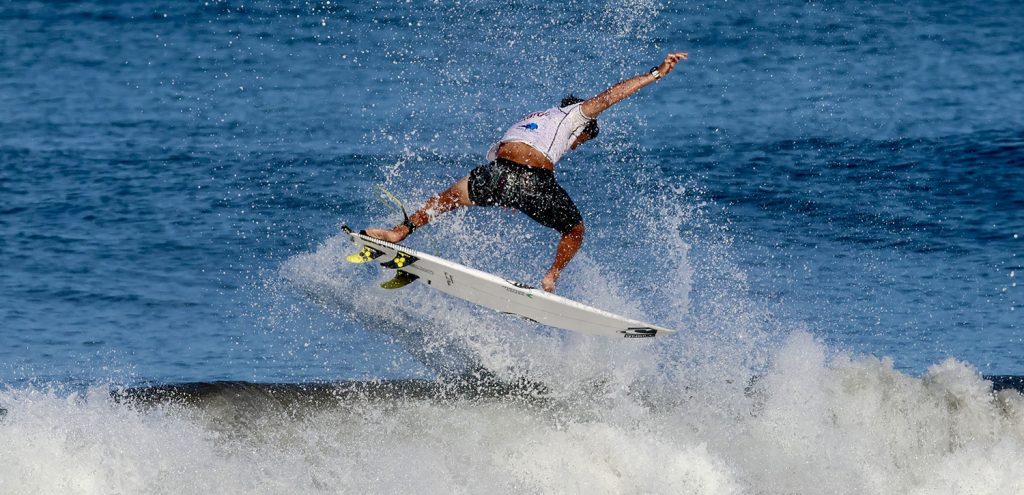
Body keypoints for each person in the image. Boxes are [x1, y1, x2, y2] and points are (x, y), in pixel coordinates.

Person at [366, 52, 688, 293]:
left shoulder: (534, 118)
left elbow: (502, 158)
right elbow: (612, 95)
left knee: (448, 199)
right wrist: (655, 74)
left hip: (499, 173)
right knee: (575, 230)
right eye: (583, 139)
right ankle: (551, 277)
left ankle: (400, 231)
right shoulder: (576, 114)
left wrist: (507, 192)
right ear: (584, 124)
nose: (576, 146)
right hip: (532, 179)